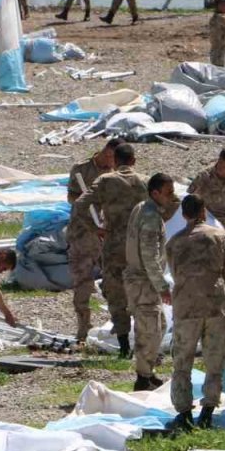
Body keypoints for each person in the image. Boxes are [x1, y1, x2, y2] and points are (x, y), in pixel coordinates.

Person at [165, 194, 225, 433]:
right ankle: (208, 411)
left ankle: (184, 413)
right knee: (215, 360)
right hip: (216, 305)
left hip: (186, 307)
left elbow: (175, 273)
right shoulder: (219, 237)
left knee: (182, 362)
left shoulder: (174, 242)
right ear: (203, 211)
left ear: (184, 214)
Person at [72, 142, 146, 358]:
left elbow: (80, 204)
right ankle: (144, 343)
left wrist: (94, 228)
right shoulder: (145, 181)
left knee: (116, 293)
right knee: (142, 292)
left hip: (113, 245)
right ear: (133, 160)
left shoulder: (105, 181)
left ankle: (124, 345)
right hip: (138, 245)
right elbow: (169, 204)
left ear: (115, 161)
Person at [123, 173, 178, 391]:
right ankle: (142, 378)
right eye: (168, 193)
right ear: (155, 193)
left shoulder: (142, 208)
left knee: (158, 326)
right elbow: (149, 257)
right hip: (143, 282)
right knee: (149, 330)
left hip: (142, 280)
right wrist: (162, 287)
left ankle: (148, 371)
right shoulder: (151, 217)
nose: (172, 197)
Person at [66, 138, 122, 343]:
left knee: (114, 280)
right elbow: (71, 197)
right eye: (108, 156)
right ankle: (83, 327)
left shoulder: (117, 174)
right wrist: (86, 199)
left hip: (107, 234)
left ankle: (120, 325)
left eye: (113, 158)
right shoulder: (81, 170)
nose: (109, 161)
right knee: (82, 280)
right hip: (82, 234)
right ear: (103, 151)